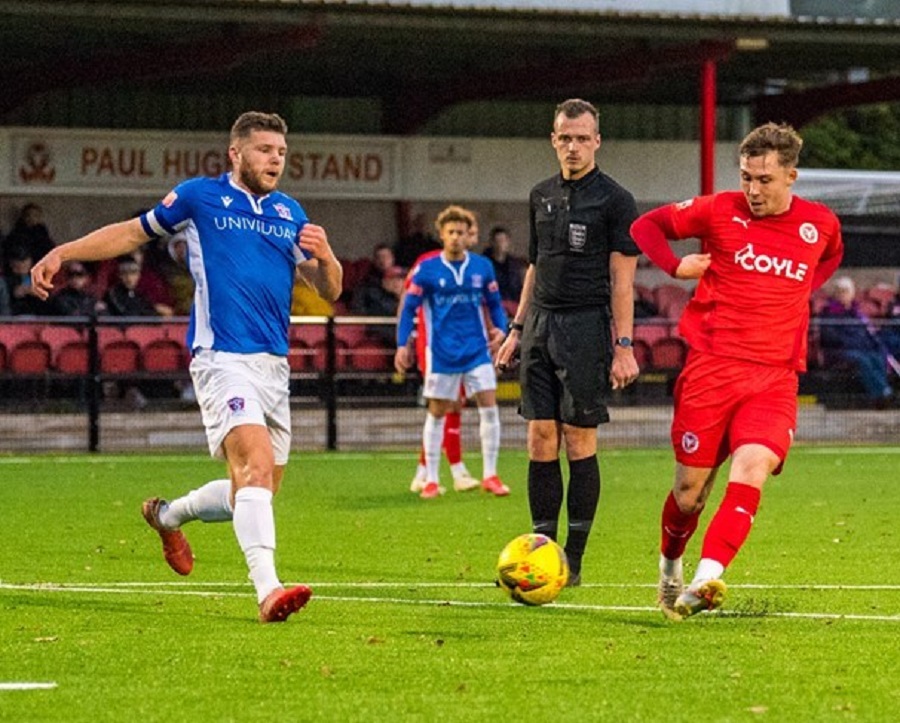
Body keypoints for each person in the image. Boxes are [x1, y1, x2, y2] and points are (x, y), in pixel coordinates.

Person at [30, 111, 343, 623]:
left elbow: (329, 290)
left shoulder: (289, 212)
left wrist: (327, 257)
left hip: (273, 364)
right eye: (264, 150)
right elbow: (133, 233)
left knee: (255, 487)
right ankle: (268, 590)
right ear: (235, 153)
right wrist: (63, 252)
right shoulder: (199, 197)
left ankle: (168, 515)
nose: (275, 160)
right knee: (256, 469)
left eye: (281, 153)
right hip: (222, 358)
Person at [629, 122, 844, 620]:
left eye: (764, 179)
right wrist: (674, 266)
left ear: (791, 175)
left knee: (753, 468)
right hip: (710, 371)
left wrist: (799, 292)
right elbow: (646, 227)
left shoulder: (820, 224)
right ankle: (670, 567)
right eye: (746, 176)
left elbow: (830, 257)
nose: (752, 189)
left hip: (774, 377)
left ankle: (707, 580)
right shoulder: (718, 209)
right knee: (689, 493)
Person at [395, 205, 509, 499]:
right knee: (437, 413)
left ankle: (491, 475)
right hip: (442, 352)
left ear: (469, 235)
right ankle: (431, 478)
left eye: (461, 232)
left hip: (476, 349)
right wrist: (401, 344)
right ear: (441, 235)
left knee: (489, 406)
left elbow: (495, 304)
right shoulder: (428, 270)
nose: (456, 237)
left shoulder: (482, 267)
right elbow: (408, 308)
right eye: (451, 232)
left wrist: (500, 329)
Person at [817, 276, 894, 406]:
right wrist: (850, 342)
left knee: (877, 356)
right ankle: (881, 394)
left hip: (860, 348)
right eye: (841, 291)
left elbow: (865, 332)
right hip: (839, 351)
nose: (844, 295)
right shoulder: (829, 312)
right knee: (862, 360)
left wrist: (872, 343)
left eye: (846, 291)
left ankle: (883, 393)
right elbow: (829, 336)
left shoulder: (856, 313)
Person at [483, 225, 526, 304]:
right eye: (498, 241)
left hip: (513, 305)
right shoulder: (484, 264)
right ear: (492, 242)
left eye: (503, 241)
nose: (500, 244)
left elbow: (518, 288)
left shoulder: (514, 265)